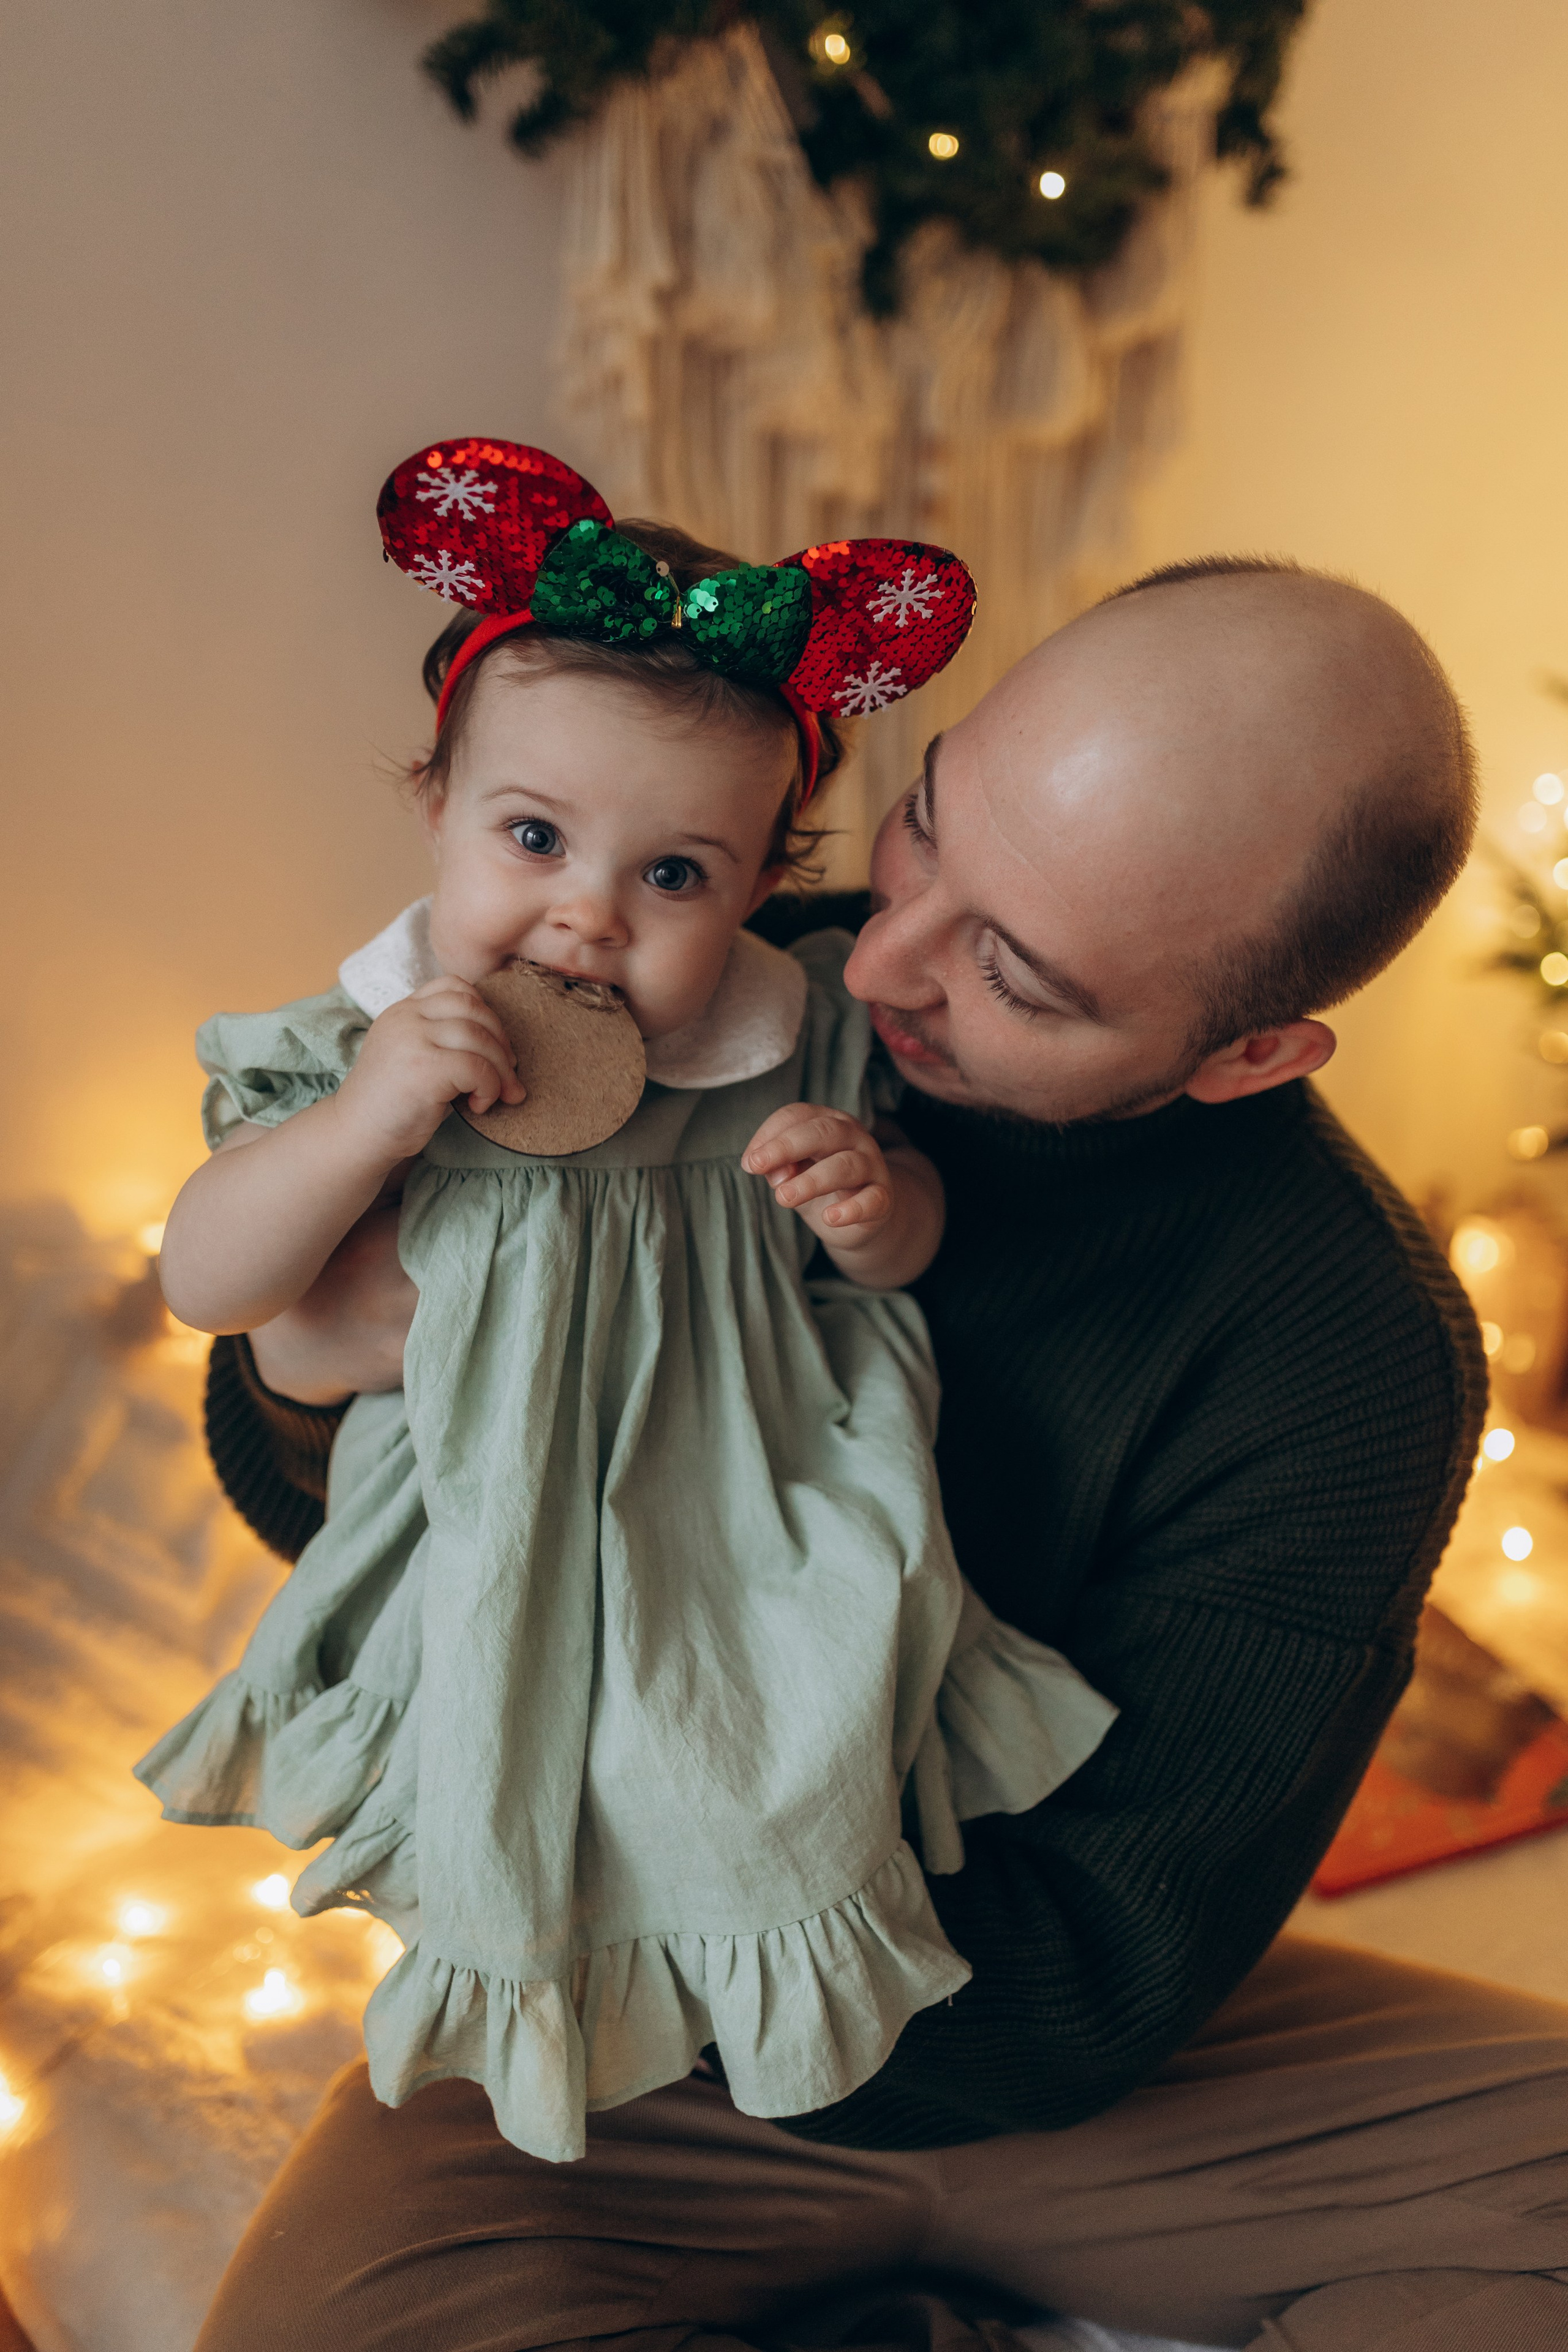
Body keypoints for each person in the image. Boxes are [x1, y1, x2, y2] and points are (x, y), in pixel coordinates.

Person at [193, 558, 1568, 2352]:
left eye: (1014, 975)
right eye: (927, 826)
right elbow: (315, 1478)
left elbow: (1108, 1969)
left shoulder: (1348, 1348)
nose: (884, 955)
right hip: (608, 2035)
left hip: (964, 2024)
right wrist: (316, 1363)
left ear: (1250, 1053)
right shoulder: (711, 956)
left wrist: (704, 1873)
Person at [137, 443, 1117, 2167]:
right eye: (533, 837)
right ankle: (543, 2000)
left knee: (771, 1744)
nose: (588, 916)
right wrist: (365, 1121)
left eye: (676, 876)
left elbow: (899, 1257)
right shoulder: (355, 1046)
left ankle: (744, 2024)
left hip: (739, 1498)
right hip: (490, 1522)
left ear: (759, 887)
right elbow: (208, 1286)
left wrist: (875, 1203)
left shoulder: (797, 1035)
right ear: (434, 804)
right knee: (511, 1769)